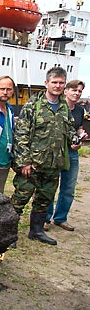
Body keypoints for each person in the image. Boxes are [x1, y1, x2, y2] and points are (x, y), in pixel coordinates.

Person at [11, 67, 76, 246]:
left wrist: (75, 140)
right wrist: (24, 162)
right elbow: (21, 134)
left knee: (44, 200)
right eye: (54, 82)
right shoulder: (34, 105)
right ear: (46, 83)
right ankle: (8, 235)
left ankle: (36, 231)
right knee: (19, 200)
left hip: (53, 165)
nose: (58, 86)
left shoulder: (64, 107)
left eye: (61, 83)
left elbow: (69, 129)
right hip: (32, 165)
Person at [45, 80, 88, 231]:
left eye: (80, 91)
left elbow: (79, 128)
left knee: (68, 187)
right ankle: (46, 218)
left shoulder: (80, 110)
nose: (77, 93)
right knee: (50, 185)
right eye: (74, 90)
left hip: (72, 152)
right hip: (56, 151)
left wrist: (81, 137)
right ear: (66, 91)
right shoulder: (59, 107)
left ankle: (61, 218)